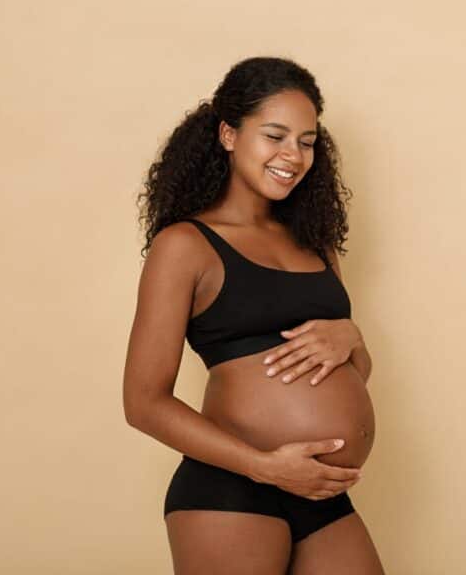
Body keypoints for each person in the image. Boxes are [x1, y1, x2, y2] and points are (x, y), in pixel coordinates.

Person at [123, 56, 384, 574]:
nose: (293, 155)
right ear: (228, 134)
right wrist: (266, 468)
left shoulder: (315, 243)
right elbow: (143, 402)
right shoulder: (185, 246)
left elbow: (357, 371)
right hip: (233, 490)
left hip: (321, 494)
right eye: (275, 136)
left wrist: (351, 336)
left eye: (306, 141)